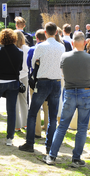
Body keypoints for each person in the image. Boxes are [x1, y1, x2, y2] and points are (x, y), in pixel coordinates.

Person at [40, 32, 90, 167]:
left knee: (62, 126)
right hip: (85, 92)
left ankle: (52, 156)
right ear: (84, 43)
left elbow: (63, 73)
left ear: (72, 43)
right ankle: (76, 158)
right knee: (82, 128)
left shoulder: (65, 56)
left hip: (70, 92)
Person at [19, 22, 65, 153]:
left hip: (43, 81)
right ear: (56, 32)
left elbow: (33, 63)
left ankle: (30, 143)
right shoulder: (61, 47)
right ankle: (49, 145)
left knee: (33, 113)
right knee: (52, 116)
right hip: (56, 81)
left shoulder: (41, 46)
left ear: (45, 32)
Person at [26, 29, 49, 138]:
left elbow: (29, 64)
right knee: (46, 107)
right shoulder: (50, 48)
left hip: (35, 80)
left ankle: (37, 131)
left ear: (37, 38)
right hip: (47, 79)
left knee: (35, 106)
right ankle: (47, 128)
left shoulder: (32, 49)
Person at [14, 30, 30, 132]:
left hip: (15, 76)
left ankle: (17, 125)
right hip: (24, 75)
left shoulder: (12, 49)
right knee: (24, 100)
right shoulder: (27, 49)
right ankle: (26, 123)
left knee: (14, 101)